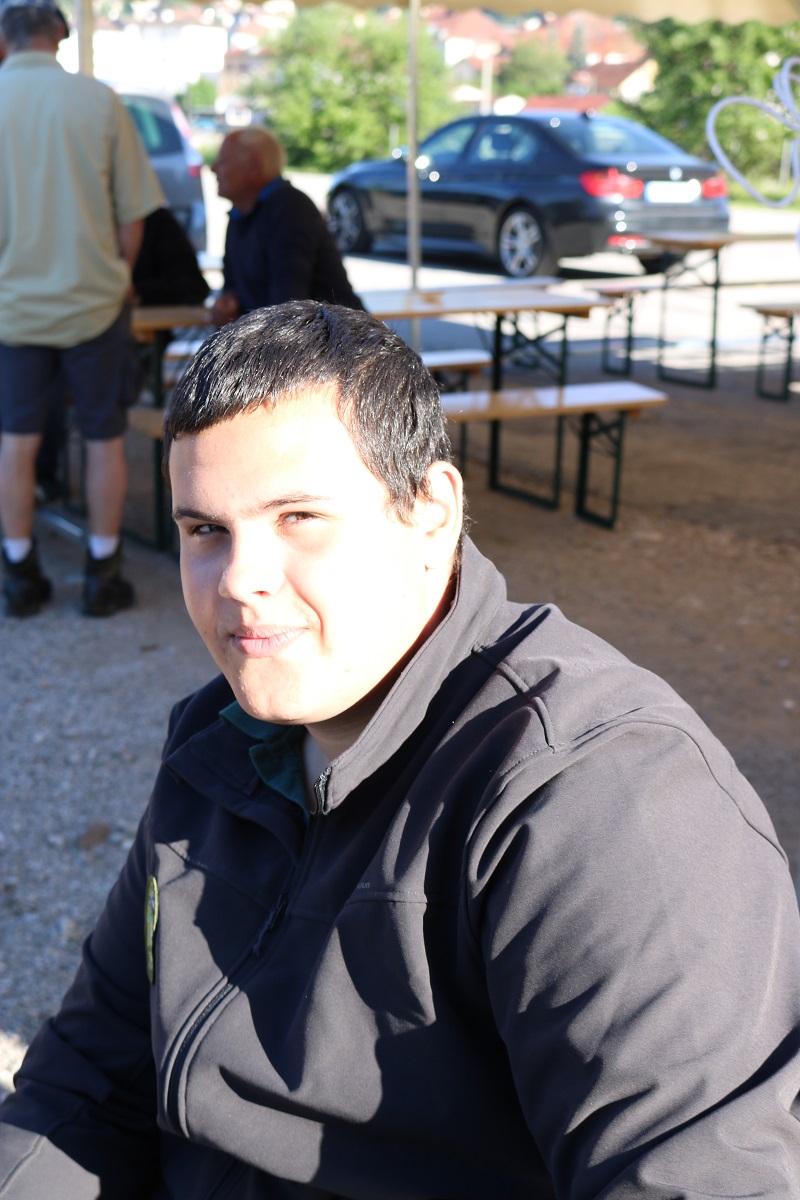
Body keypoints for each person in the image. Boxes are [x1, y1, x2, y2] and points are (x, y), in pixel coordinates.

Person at [2, 301, 800, 1198]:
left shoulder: (602, 799)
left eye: (298, 516)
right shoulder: (216, 744)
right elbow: (86, 1082)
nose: (239, 580)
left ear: (432, 513)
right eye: (205, 531)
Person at [0, 0, 164, 619]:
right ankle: (102, 570)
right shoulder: (97, 101)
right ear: (60, 37)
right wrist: (120, 276)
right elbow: (132, 214)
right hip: (93, 301)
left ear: (4, 41)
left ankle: (19, 571)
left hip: (11, 308)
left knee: (15, 441)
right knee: (102, 438)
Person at [210, 127, 362, 328]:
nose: (213, 168)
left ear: (253, 167)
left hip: (336, 339)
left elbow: (289, 304)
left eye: (223, 161)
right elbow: (232, 285)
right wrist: (227, 302)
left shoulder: (290, 208)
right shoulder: (240, 213)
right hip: (290, 337)